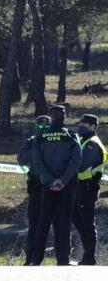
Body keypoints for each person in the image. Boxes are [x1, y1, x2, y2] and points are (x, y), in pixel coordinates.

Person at [31, 104, 82, 266]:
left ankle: (35, 260)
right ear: (64, 117)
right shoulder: (71, 136)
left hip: (46, 186)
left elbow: (37, 162)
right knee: (63, 224)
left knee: (43, 223)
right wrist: (63, 180)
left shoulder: (40, 137)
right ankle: (63, 260)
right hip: (66, 187)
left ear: (50, 117)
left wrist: (49, 180)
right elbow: (76, 161)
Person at [72, 114, 107, 265]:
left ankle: (89, 257)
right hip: (80, 188)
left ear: (93, 127)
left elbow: (81, 164)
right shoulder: (84, 141)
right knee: (78, 220)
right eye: (80, 123)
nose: (81, 127)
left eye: (84, 125)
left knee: (87, 222)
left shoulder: (92, 144)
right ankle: (88, 254)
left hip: (88, 187)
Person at [17, 115, 51, 266]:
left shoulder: (54, 141)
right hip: (36, 187)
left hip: (52, 187)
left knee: (55, 224)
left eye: (46, 127)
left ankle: (61, 259)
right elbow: (21, 158)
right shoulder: (31, 141)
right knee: (34, 225)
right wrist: (35, 147)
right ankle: (30, 258)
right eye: (40, 126)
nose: (43, 129)